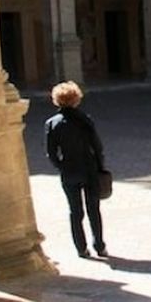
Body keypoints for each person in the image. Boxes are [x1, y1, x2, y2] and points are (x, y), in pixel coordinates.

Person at [44, 81, 107, 259]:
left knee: (75, 211)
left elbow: (51, 152)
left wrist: (61, 166)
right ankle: (100, 246)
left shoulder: (51, 123)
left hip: (69, 170)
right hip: (88, 168)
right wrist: (100, 166)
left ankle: (81, 248)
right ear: (76, 99)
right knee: (93, 209)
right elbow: (97, 146)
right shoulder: (84, 120)